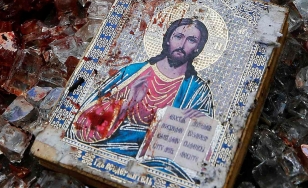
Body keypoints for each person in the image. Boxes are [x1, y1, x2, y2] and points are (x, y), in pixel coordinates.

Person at [70, 18, 214, 167]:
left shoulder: (198, 91)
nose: (182, 45)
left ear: (198, 47)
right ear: (168, 40)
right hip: (108, 147)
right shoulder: (132, 73)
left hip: (158, 161)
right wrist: (127, 103)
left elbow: (200, 154)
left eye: (191, 40)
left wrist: (196, 124)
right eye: (178, 37)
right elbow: (83, 124)